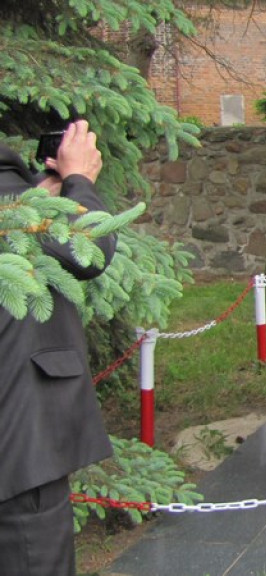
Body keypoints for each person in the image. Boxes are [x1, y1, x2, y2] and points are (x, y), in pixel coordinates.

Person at [0, 120, 116, 575]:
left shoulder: (22, 200)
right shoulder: (12, 201)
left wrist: (44, 195)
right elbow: (88, 249)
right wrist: (81, 181)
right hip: (21, 452)